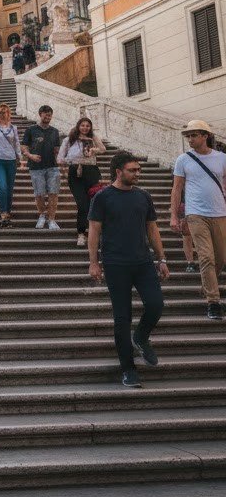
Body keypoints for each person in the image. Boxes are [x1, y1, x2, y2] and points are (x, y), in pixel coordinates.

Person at [88, 151, 168, 387]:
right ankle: (128, 369)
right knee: (122, 318)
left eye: (138, 170)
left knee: (156, 305)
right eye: (132, 170)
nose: (137, 174)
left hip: (143, 262)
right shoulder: (103, 197)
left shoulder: (144, 196)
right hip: (115, 263)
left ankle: (141, 336)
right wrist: (94, 262)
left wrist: (161, 258)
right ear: (118, 171)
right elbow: (94, 230)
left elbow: (152, 230)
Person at [171, 120, 226, 320]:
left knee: (221, 258)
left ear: (205, 136)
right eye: (188, 136)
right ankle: (213, 301)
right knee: (206, 257)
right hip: (195, 214)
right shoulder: (183, 159)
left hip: (220, 213)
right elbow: (177, 189)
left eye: (194, 135)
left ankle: (207, 286)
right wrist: (174, 215)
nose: (190, 139)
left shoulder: (222, 158)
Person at [58, 116, 107, 247]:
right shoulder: (69, 139)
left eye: (88, 126)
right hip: (76, 173)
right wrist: (73, 161)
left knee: (94, 203)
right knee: (82, 204)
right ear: (78, 126)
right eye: (83, 125)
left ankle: (95, 232)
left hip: (92, 172)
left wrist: (94, 150)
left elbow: (103, 149)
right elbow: (60, 158)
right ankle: (81, 233)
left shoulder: (93, 138)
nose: (85, 128)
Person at [23, 105, 62, 230]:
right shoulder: (31, 130)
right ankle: (42, 215)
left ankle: (51, 219)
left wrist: (61, 158)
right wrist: (30, 155)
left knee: (53, 193)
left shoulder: (55, 131)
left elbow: (57, 149)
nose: (48, 117)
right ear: (40, 114)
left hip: (52, 166)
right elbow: (23, 146)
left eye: (50, 114)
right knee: (39, 193)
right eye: (45, 114)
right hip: (36, 167)